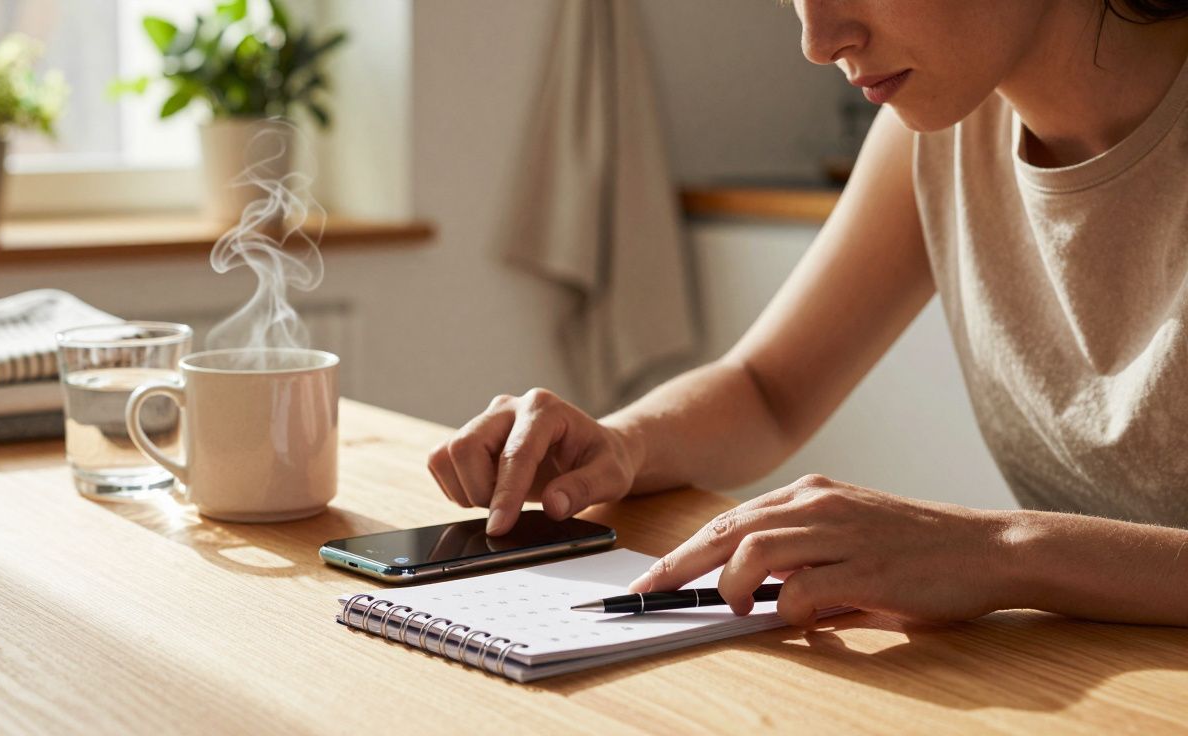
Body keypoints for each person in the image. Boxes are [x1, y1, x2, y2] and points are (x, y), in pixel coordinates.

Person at [428, 0, 1188, 628]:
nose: (818, 40)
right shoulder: (942, 132)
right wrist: (623, 442)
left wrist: (1002, 549)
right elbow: (768, 388)